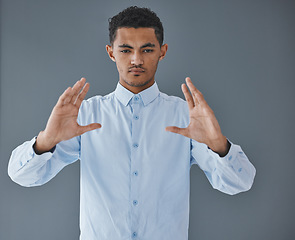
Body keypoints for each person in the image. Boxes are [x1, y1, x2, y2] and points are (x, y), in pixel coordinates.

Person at [8, 6, 256, 240]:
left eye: (147, 49)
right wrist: (45, 142)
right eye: (126, 50)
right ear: (111, 52)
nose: (136, 59)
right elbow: (22, 176)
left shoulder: (185, 116)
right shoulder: (85, 115)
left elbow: (240, 183)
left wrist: (218, 145)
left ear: (162, 51)